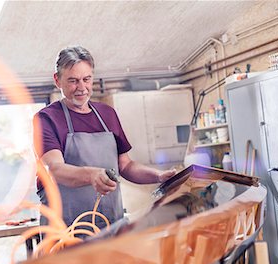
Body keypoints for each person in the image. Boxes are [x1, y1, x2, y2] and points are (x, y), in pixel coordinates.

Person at [34, 45, 175, 229]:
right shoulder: (47, 118)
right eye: (73, 81)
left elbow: (125, 165)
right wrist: (92, 175)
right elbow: (55, 169)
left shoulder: (107, 115)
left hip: (110, 225)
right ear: (57, 80)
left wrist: (159, 176)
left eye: (87, 79)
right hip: (65, 232)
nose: (82, 88)